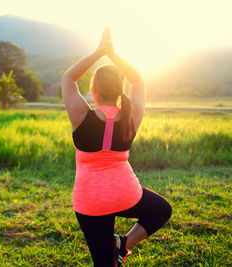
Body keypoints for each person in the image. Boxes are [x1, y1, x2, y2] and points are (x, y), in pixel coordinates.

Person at [61, 28, 172, 266]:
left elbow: (68, 78)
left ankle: (116, 248)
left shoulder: (81, 115)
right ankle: (123, 244)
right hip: (126, 194)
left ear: (94, 91)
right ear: (119, 91)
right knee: (161, 210)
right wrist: (114, 55)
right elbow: (139, 79)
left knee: (103, 262)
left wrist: (99, 53)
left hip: (89, 201)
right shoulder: (130, 117)